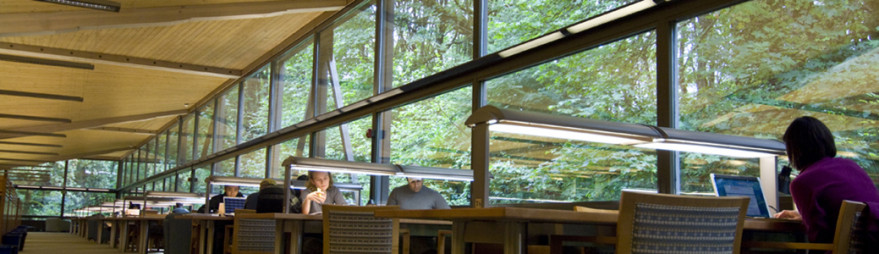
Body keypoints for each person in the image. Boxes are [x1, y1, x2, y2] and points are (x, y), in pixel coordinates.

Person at [774, 116, 879, 247]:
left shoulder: (802, 182)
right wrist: (803, 217)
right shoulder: (852, 166)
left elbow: (818, 236)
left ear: (793, 150)